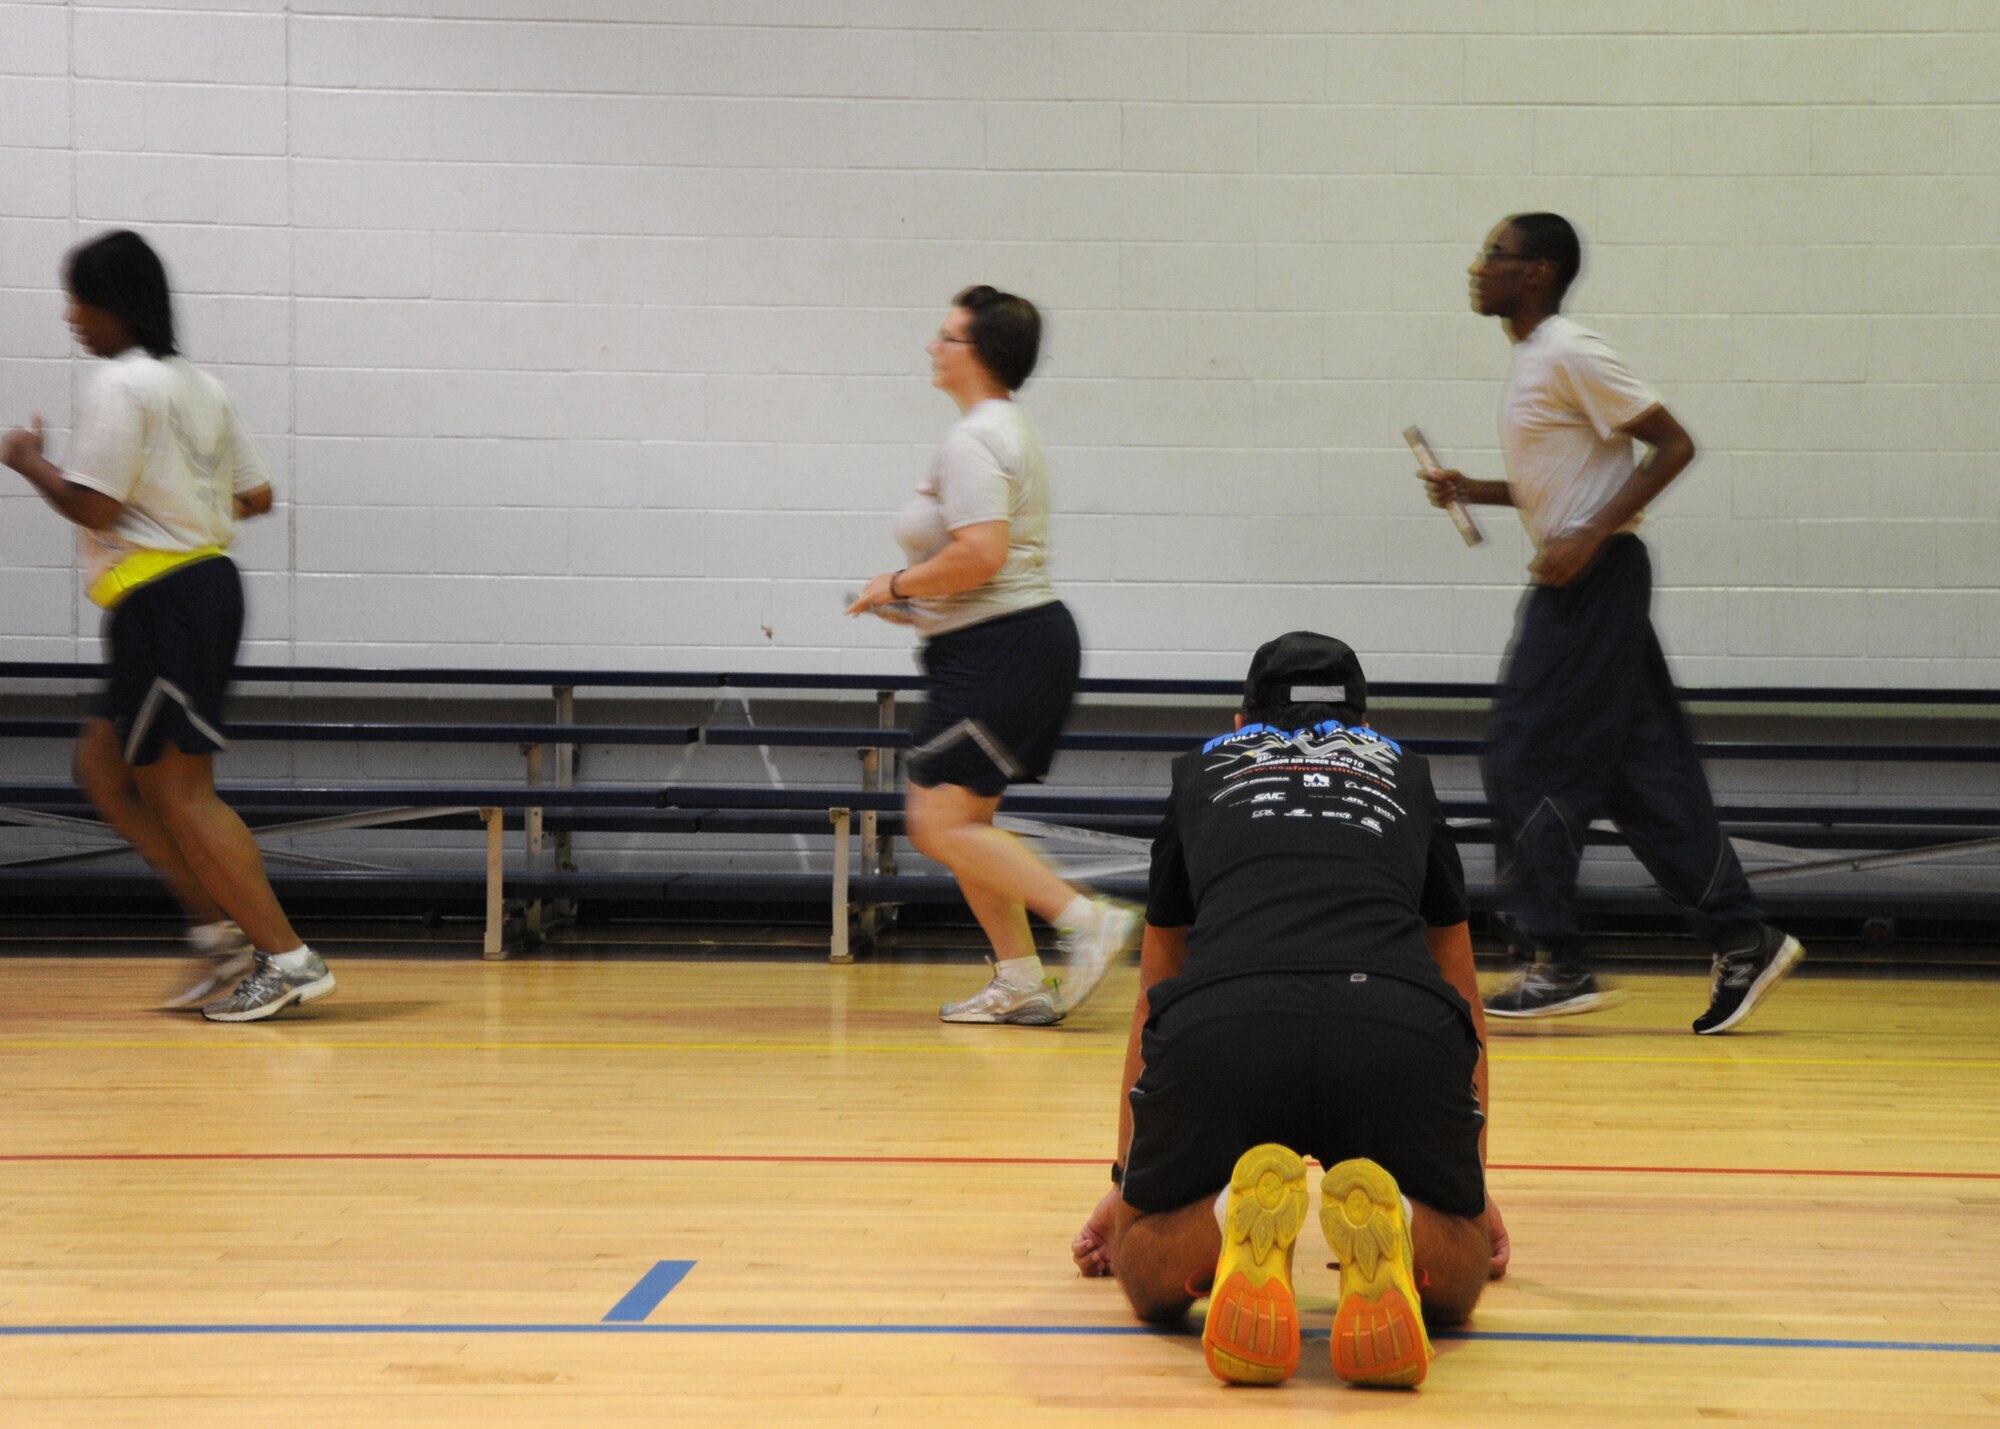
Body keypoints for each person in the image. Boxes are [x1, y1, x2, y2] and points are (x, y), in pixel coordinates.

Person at [1071, 632, 1506, 1390]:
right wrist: (1468, 1186)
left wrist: (1126, 1183)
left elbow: (1153, 994)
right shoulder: (1407, 775)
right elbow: (1463, 992)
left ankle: (1226, 1218)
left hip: (1227, 1022)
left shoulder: (1201, 772)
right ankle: (1400, 1220)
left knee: (1143, 1269)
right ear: (1366, 729)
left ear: (1241, 722)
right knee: (1461, 1274)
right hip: (1394, 1024)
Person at [1421, 212, 1804, 1034]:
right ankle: (1744, 938)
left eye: (1496, 253)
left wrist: (1592, 534)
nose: (1478, 265)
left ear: (1538, 272)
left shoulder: (1568, 349)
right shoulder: (1535, 361)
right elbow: (1562, 479)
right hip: (1595, 582)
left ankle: (1553, 959)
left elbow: (1672, 444)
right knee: (1645, 776)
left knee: (1522, 754)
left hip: (1594, 584)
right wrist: (1475, 489)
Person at [0, 229, 334, 1023]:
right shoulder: (200, 387)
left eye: (77, 298)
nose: (70, 316)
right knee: (105, 773)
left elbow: (95, 505)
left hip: (168, 601)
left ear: (114, 302)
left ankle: (287, 958)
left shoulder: (120, 386)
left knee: (181, 793)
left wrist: (27, 460)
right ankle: (218, 936)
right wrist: (187, 495)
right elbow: (257, 497)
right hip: (192, 592)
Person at [847, 286, 1138, 1024]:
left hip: (1002, 652)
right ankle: (1019, 977)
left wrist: (897, 581)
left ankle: (1084, 917)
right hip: (993, 645)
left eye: (945, 337)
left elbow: (982, 553)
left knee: (937, 824)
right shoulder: (997, 428)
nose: (931, 348)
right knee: (966, 827)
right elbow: (984, 564)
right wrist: (914, 605)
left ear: (976, 353)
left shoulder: (975, 438)